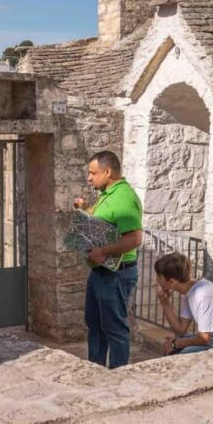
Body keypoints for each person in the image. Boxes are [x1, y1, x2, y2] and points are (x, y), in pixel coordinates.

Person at [73, 151, 142, 368]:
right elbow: (104, 222)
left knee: (114, 328)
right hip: (101, 272)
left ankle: (118, 375)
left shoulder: (123, 197)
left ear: (108, 171)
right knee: (95, 324)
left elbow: (135, 238)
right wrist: (84, 210)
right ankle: (96, 370)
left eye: (93, 173)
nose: (89, 177)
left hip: (115, 273)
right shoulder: (108, 194)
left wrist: (103, 252)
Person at [154, 252, 213, 355]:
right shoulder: (189, 291)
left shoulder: (203, 295)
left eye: (159, 278)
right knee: (174, 344)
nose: (156, 281)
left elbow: (204, 339)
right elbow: (180, 330)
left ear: (172, 282)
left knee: (182, 354)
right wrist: (165, 303)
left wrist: (176, 344)